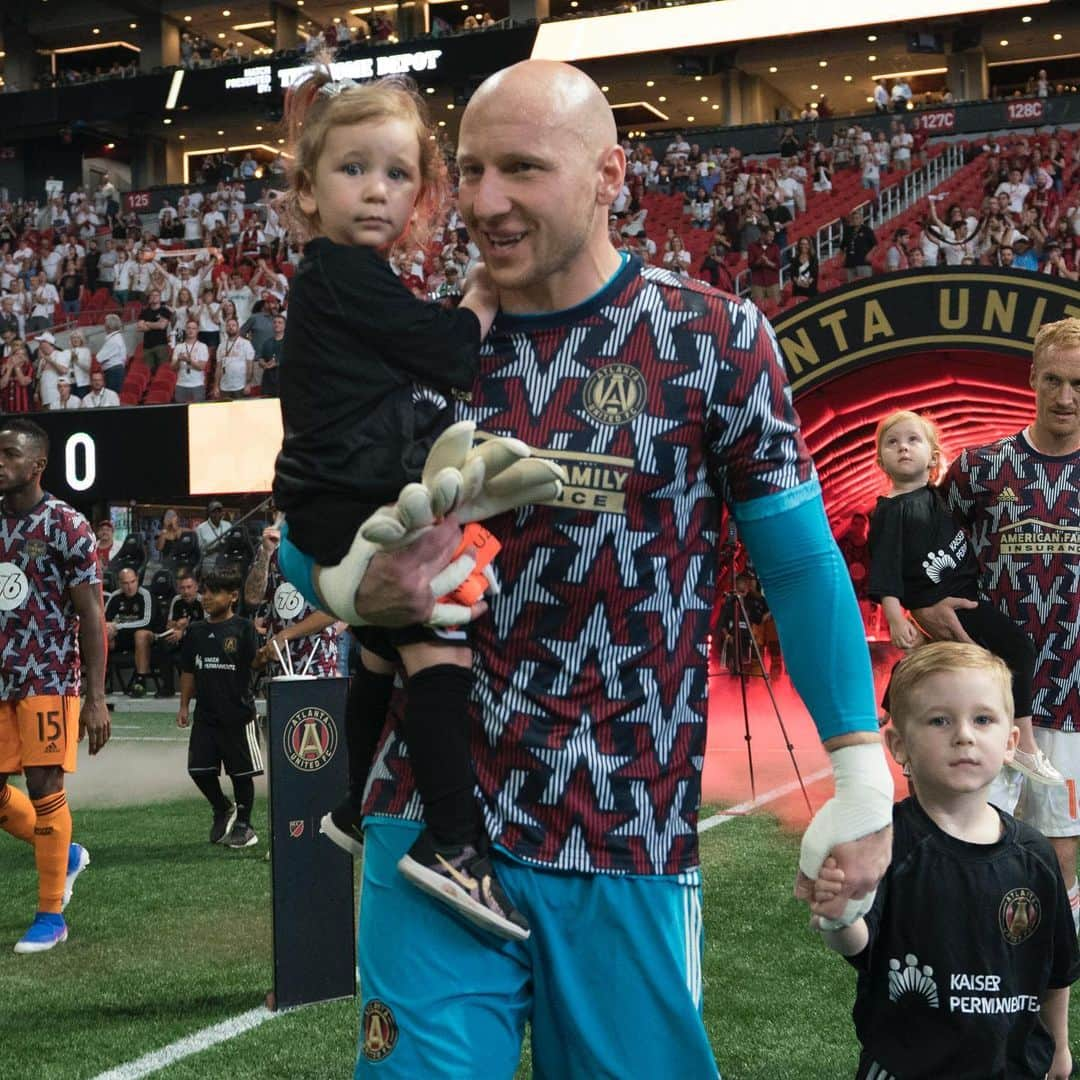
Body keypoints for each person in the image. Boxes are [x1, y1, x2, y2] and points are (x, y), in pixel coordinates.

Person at [326, 60, 893, 1079]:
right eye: (471, 171)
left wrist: (858, 771)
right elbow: (310, 529)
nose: (487, 202)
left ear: (609, 175)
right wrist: (353, 588)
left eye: (523, 170)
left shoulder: (715, 339)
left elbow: (801, 564)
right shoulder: (412, 349)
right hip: (433, 818)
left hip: (624, 824)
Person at [270, 65, 551, 942]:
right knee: (441, 659)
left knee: (384, 660)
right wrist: (475, 301)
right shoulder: (342, 274)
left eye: (396, 174)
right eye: (353, 169)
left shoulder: (353, 281)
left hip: (343, 503)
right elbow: (444, 353)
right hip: (351, 512)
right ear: (308, 193)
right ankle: (453, 843)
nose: (376, 191)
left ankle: (351, 804)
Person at [812, 643, 1079, 1080]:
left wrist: (1061, 1045)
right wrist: (842, 915)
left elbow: (1055, 970)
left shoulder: (1035, 855)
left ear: (1010, 742)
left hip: (1013, 1067)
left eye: (983, 719)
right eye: (940, 720)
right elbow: (858, 946)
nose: (964, 735)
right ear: (899, 745)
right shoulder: (885, 843)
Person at [914, 318, 1080, 933]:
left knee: (1059, 842)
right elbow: (923, 548)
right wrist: (923, 602)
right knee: (969, 838)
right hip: (986, 699)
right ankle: (970, 962)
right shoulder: (982, 468)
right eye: (1055, 380)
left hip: (1074, 699)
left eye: (1079, 384)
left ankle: (1038, 974)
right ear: (1031, 378)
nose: (1066, 397)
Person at [868, 410, 1061, 785]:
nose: (903, 448)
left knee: (943, 664)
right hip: (950, 601)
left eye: (912, 440)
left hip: (965, 597)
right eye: (892, 443)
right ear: (880, 460)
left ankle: (891, 709)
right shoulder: (891, 511)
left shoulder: (934, 496)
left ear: (934, 456)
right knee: (1017, 649)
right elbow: (886, 568)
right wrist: (895, 615)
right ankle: (1024, 745)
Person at [0, 418, 109, 953]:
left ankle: (50, 915)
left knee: (45, 787)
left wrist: (95, 697)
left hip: (47, 674)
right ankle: (65, 854)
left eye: (8, 454)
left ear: (37, 465)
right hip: (0, 679)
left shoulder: (67, 524)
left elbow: (91, 616)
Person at [176, 569, 265, 849]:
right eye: (205, 592)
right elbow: (189, 669)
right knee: (199, 770)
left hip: (239, 714)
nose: (207, 598)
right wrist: (183, 705)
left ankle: (244, 824)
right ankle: (222, 808)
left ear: (233, 596)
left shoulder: (244, 628)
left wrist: (264, 658)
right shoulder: (196, 630)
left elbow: (254, 665)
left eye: (215, 593)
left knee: (242, 774)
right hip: (206, 715)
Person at [104, 567, 156, 697]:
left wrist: (117, 626)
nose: (130, 587)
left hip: (148, 638)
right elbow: (103, 620)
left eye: (132, 582)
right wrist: (108, 629)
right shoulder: (115, 596)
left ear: (137, 580)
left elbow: (146, 622)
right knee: (102, 637)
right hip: (122, 638)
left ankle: (140, 682)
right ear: (120, 583)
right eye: (126, 583)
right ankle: (101, 682)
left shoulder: (145, 595)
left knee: (140, 635)